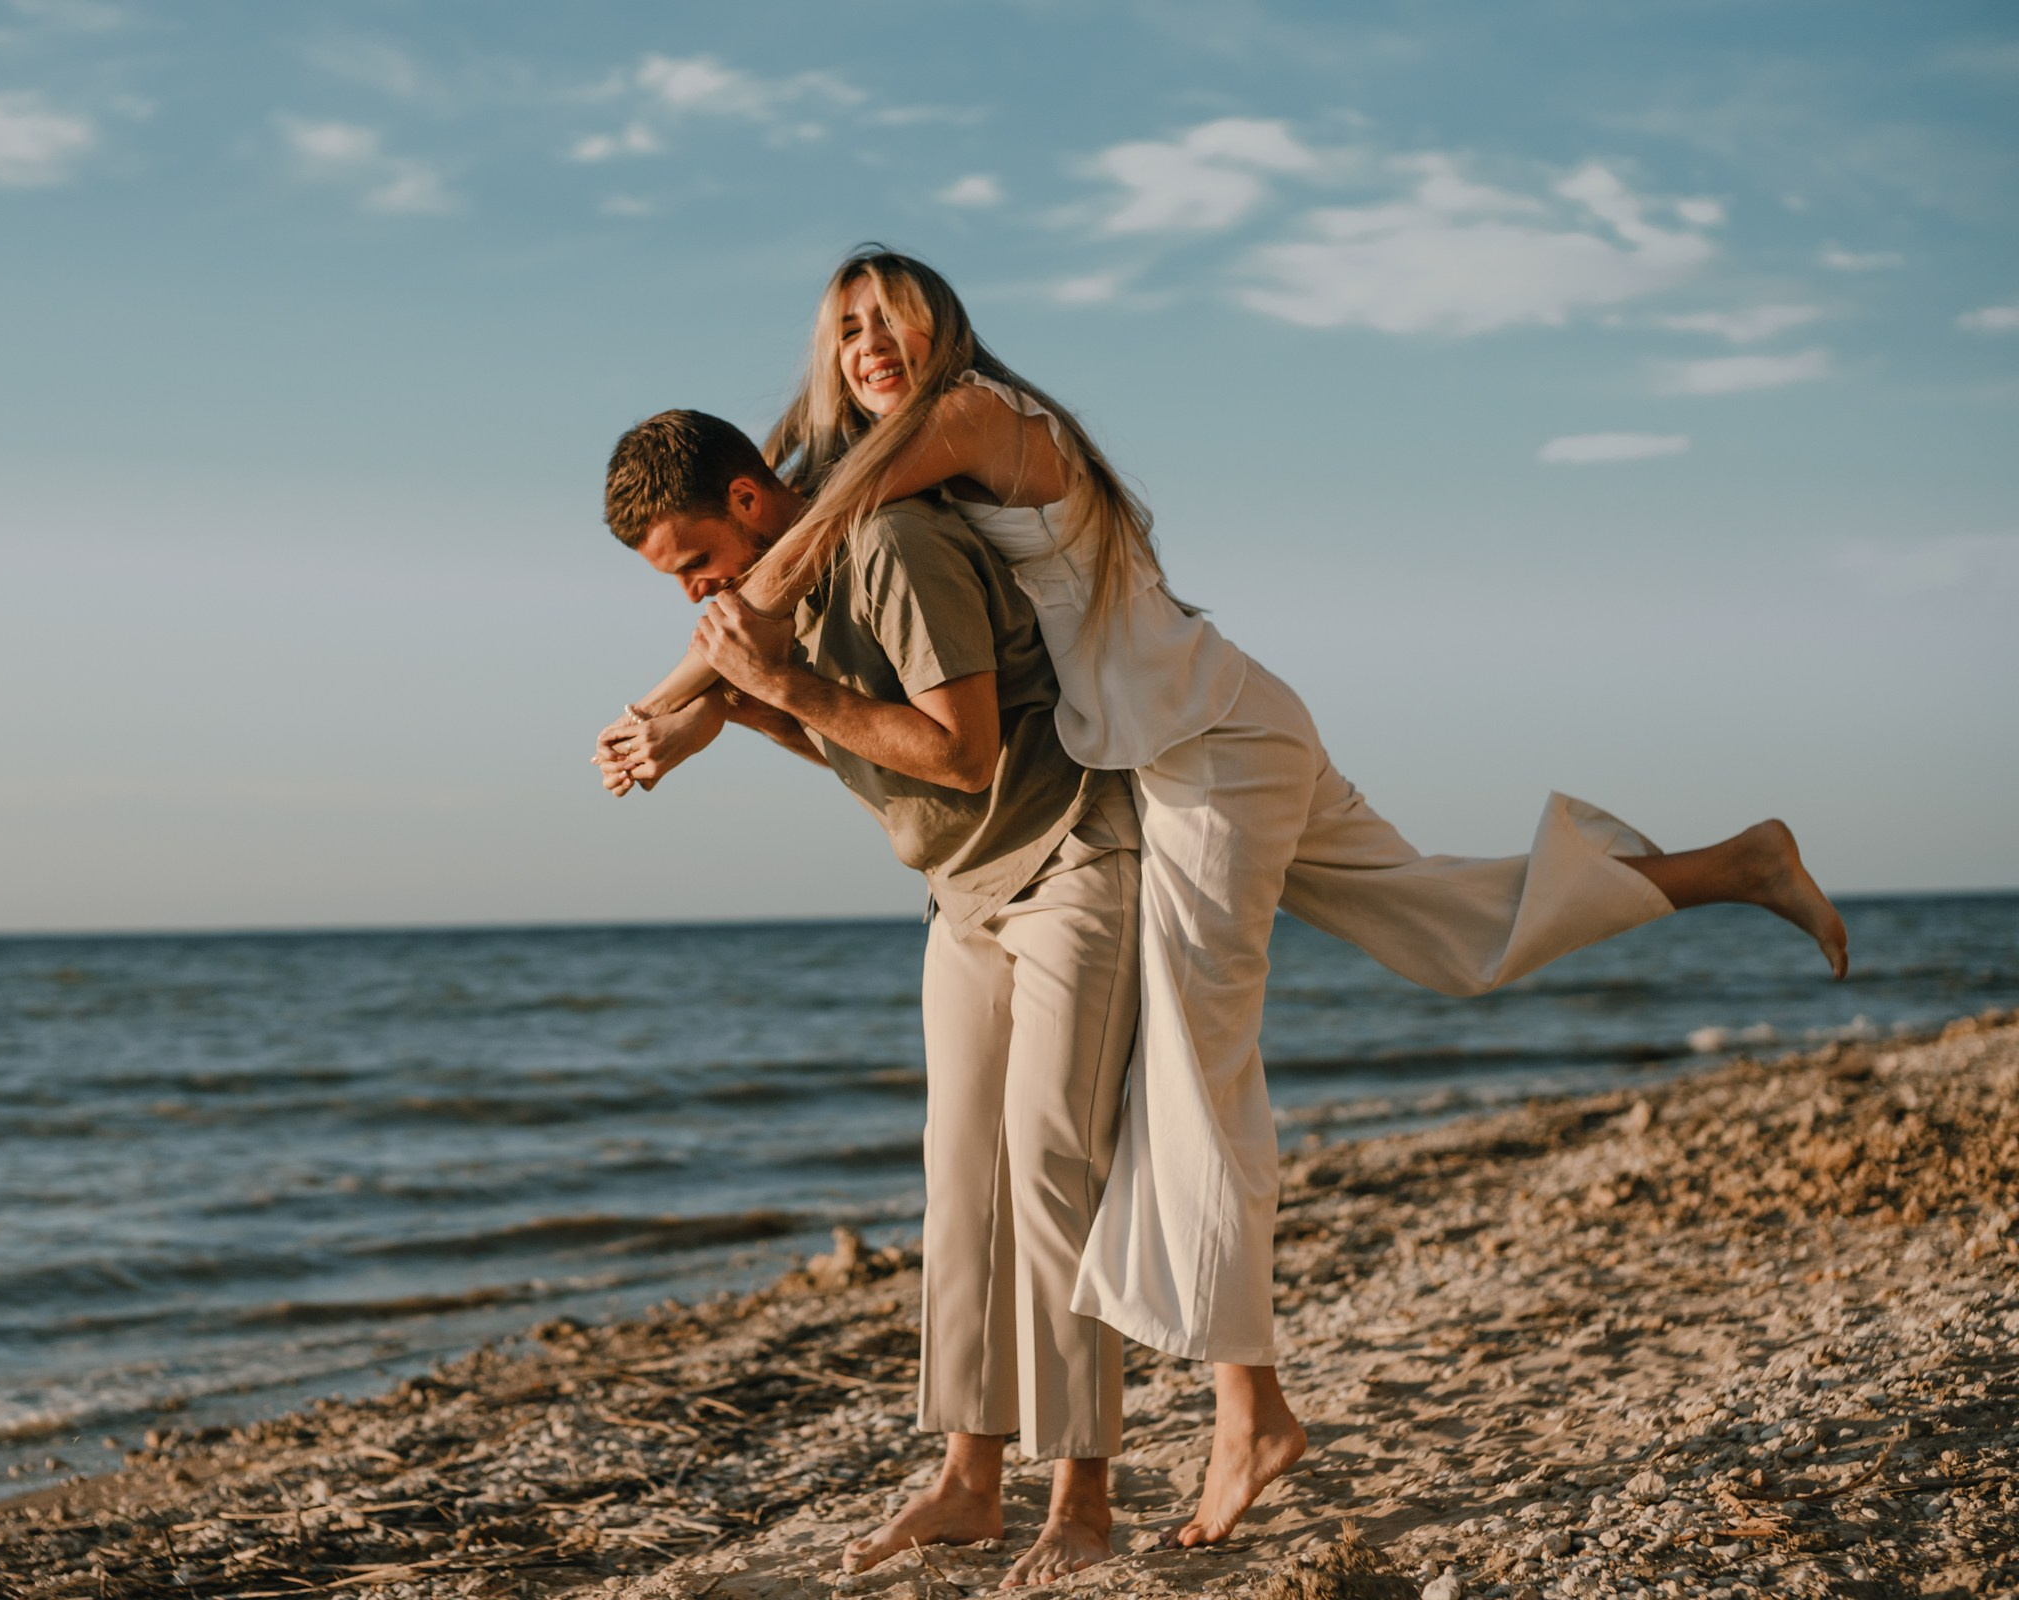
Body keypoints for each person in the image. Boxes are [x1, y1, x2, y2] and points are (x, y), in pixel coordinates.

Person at [595, 247, 1852, 1556]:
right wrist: (710, 701)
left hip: (1200, 751)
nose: (865, 344)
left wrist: (674, 700)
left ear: (941, 325)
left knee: (1191, 1078)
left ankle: (1241, 1416)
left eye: (887, 318)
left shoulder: (959, 423)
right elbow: (783, 560)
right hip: (1199, 735)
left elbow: (783, 576)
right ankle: (1733, 867)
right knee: (1448, 934)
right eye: (843, 327)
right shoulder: (871, 487)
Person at [601, 409, 1147, 1588]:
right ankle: (968, 1481)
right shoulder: (793, 594)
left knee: (1050, 1173)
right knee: (962, 1187)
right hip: (962, 891)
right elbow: (872, 750)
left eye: (696, 560)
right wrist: (755, 709)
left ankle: (1083, 1500)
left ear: (751, 500)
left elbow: (961, 753)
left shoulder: (895, 546)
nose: (696, 591)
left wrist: (783, 681)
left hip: (1067, 858)